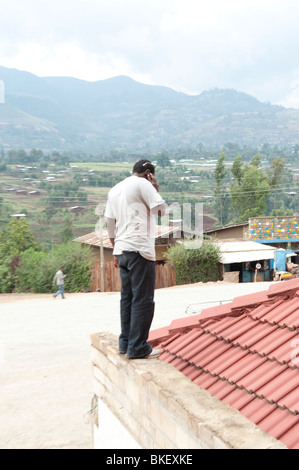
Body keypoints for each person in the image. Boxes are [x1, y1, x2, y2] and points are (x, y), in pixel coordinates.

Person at [105, 159, 168, 359]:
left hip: (122, 250)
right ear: (149, 173)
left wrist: (116, 249)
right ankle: (138, 347)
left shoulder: (115, 189)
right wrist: (155, 188)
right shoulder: (143, 185)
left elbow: (109, 223)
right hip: (140, 249)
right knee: (143, 300)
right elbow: (162, 211)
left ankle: (125, 343)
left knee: (127, 298)